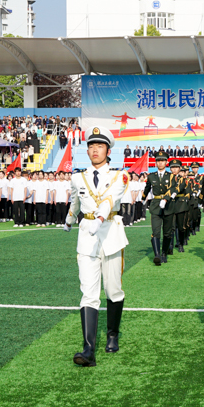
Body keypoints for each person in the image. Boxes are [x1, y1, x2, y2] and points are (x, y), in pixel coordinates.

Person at [63, 125, 130, 367]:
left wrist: (100, 218)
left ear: (108, 151)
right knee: (89, 293)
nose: (95, 149)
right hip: (87, 236)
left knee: (113, 289)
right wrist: (69, 220)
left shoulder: (120, 176)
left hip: (110, 231)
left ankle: (112, 334)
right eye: (91, 145)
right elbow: (75, 201)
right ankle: (88, 349)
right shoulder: (77, 177)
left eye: (100, 146)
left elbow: (111, 199)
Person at [142, 151, 178, 265]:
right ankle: (157, 255)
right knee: (156, 231)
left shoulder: (171, 176)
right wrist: (143, 198)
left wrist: (166, 199)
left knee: (167, 233)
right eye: (158, 161)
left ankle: (164, 254)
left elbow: (173, 188)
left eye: (162, 161)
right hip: (156, 205)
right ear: (156, 162)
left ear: (166, 162)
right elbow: (147, 188)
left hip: (168, 206)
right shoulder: (151, 176)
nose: (160, 163)